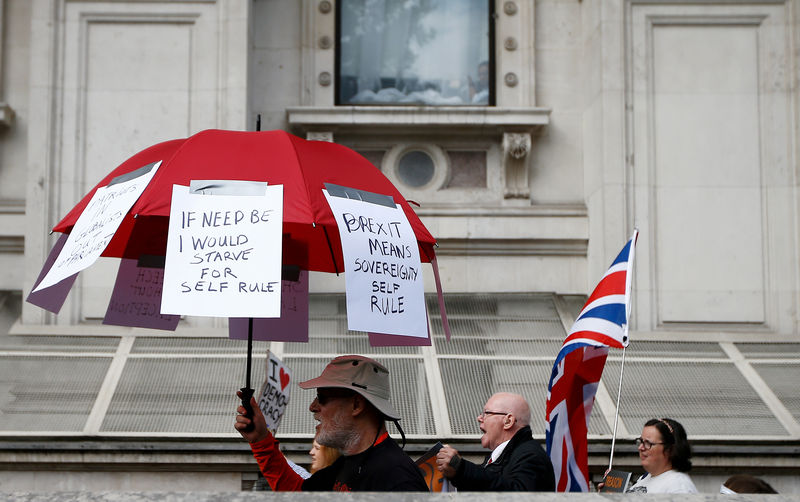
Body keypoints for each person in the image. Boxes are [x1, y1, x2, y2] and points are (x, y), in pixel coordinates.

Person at [235, 354, 428, 492]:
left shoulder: (399, 483)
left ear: (356, 405)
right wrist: (261, 440)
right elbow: (298, 493)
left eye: (322, 397)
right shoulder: (349, 461)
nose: (312, 406)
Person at [434, 392, 555, 491]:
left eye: (486, 413)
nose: (479, 418)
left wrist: (461, 468)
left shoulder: (530, 455)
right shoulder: (503, 456)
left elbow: (518, 495)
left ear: (508, 421)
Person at [626, 417, 697, 494]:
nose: (641, 448)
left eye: (648, 443)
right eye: (641, 441)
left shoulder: (679, 487)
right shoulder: (646, 478)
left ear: (669, 449)